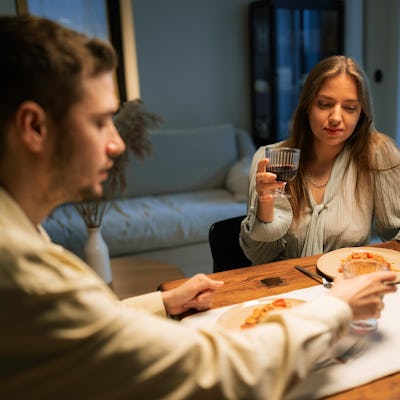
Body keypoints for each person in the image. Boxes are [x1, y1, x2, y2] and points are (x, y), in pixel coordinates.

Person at [0, 16, 397, 400]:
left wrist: (159, 302)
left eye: (350, 108)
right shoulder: (21, 269)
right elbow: (212, 370)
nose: (118, 145)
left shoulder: (25, 236)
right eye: (101, 121)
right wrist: (337, 309)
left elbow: (94, 324)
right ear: (34, 127)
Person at [240, 55, 400, 265]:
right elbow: (259, 256)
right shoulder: (270, 159)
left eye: (350, 108)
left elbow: (396, 234)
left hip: (347, 284)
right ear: (307, 106)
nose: (335, 117)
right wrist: (265, 207)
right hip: (285, 288)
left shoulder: (378, 154)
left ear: (361, 114)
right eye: (324, 104)